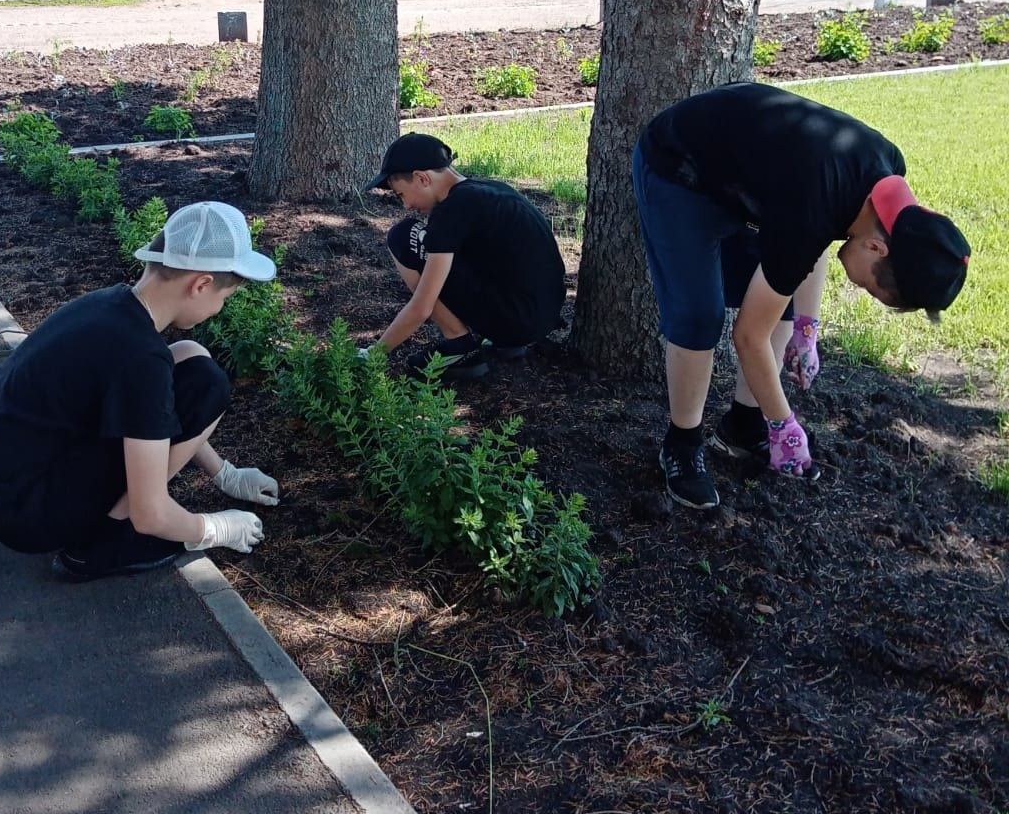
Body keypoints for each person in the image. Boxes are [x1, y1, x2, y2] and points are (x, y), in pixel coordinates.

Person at [633, 82, 970, 511]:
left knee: (785, 307)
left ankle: (743, 425)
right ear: (878, 248)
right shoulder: (816, 201)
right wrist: (785, 423)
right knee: (700, 315)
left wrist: (807, 328)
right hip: (677, 167)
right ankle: (681, 446)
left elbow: (822, 233)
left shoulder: (884, 182)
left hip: (742, 180)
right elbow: (749, 336)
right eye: (869, 285)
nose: (858, 286)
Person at [0, 201, 280, 581]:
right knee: (209, 385)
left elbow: (158, 408)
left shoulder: (112, 306)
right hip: (26, 516)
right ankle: (103, 547)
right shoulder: (139, 358)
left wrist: (224, 473)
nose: (219, 309)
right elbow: (151, 514)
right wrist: (213, 529)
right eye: (224, 299)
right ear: (201, 284)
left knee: (191, 359)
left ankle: (104, 525)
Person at [363, 132, 567, 379]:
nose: (406, 206)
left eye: (401, 195)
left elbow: (421, 307)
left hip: (517, 322)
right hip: (542, 314)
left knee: (404, 236)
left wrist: (374, 353)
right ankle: (498, 339)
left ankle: (457, 343)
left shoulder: (452, 210)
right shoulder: (489, 189)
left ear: (422, 178)